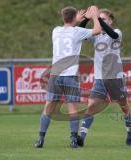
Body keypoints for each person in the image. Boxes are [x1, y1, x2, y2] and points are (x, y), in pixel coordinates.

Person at [35, 6, 101, 148]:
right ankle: (72, 140)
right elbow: (97, 31)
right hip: (69, 76)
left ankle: (40, 139)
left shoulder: (56, 31)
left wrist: (75, 19)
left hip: (55, 75)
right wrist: (94, 16)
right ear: (73, 18)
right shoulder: (77, 32)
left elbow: (69, 26)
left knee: (48, 108)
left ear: (63, 18)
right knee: (72, 109)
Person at [78, 8, 131, 146]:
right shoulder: (96, 35)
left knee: (124, 107)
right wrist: (87, 18)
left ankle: (130, 134)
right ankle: (81, 137)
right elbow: (80, 32)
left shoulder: (117, 33)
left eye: (103, 19)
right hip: (100, 78)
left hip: (115, 78)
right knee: (91, 106)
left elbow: (112, 34)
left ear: (110, 21)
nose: (100, 21)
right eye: (100, 18)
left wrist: (96, 18)